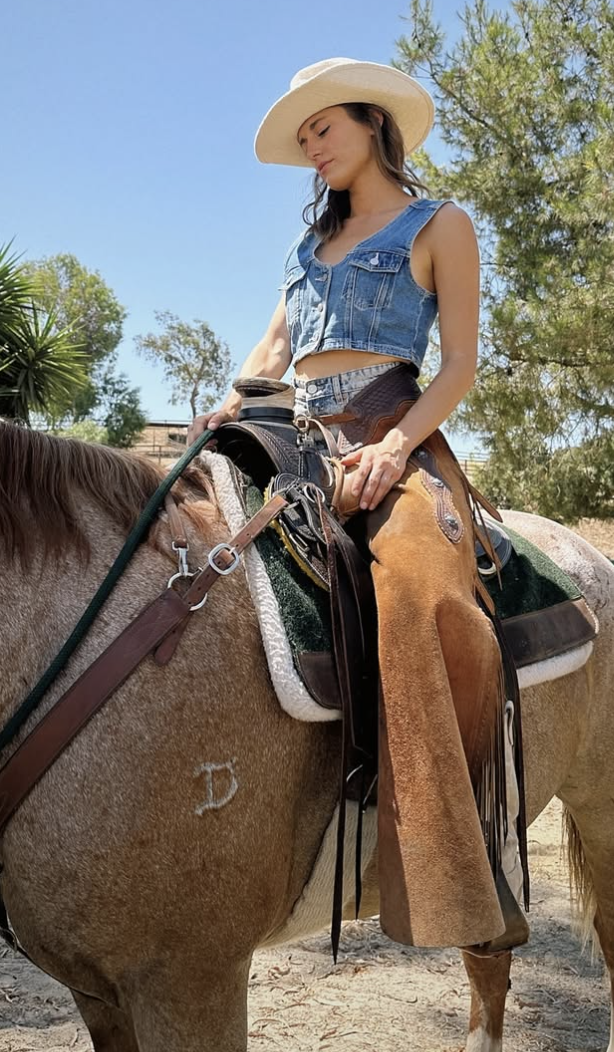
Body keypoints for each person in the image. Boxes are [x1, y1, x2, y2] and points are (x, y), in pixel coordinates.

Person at [188, 57, 527, 954]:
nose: (313, 148)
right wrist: (232, 401)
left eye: (322, 128)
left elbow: (458, 363)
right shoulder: (308, 251)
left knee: (418, 590)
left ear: (372, 123)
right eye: (303, 138)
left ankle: (459, 852)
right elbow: (269, 348)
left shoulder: (438, 224)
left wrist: (395, 445)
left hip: (390, 422)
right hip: (293, 432)